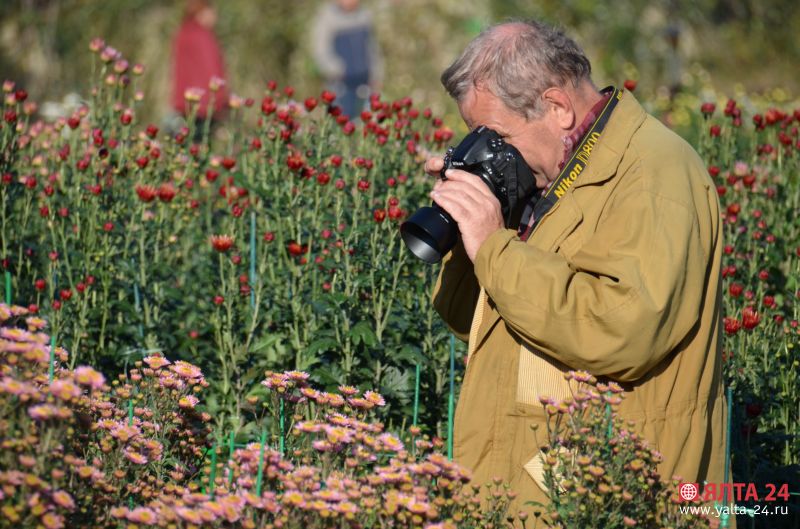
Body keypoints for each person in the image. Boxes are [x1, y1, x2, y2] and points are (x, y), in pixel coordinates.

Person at [428, 19, 730, 519]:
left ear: (558, 107)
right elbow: (471, 320)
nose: (492, 151)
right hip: (527, 490)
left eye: (497, 135)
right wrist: (470, 223)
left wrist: (495, 248)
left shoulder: (654, 175)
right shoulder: (549, 174)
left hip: (617, 497)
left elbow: (621, 328)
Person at [311, 0, 382, 118]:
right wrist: (336, 70)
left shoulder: (365, 16)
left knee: (365, 124)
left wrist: (376, 73)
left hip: (364, 80)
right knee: (341, 122)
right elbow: (320, 50)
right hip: (340, 83)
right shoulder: (328, 17)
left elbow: (372, 48)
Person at [171, 0, 228, 129]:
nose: (215, 17)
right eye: (212, 12)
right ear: (202, 12)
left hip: (186, 101)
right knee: (202, 141)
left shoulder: (183, 32)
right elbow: (211, 71)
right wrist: (221, 100)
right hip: (205, 103)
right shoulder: (202, 36)